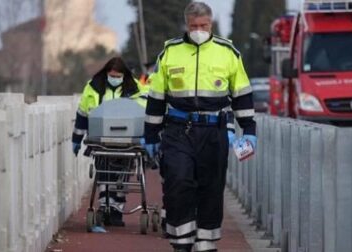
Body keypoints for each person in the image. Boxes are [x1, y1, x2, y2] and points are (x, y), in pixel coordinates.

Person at [143, 2, 257, 252]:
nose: (198, 30)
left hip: (213, 130)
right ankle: (181, 241)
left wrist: (248, 129)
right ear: (186, 25)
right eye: (193, 26)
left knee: (211, 187)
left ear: (211, 24)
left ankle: (206, 242)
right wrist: (150, 133)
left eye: (203, 26)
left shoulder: (228, 52)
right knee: (177, 181)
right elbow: (156, 96)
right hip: (177, 129)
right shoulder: (170, 52)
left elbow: (242, 94)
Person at [72, 56, 147, 227]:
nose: (114, 79)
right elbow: (83, 113)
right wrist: (76, 139)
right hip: (100, 139)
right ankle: (105, 206)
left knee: (121, 174)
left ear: (124, 75)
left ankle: (116, 210)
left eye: (118, 75)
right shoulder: (93, 88)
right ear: (106, 73)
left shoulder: (134, 88)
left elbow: (143, 110)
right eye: (111, 75)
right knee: (104, 173)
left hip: (128, 139)